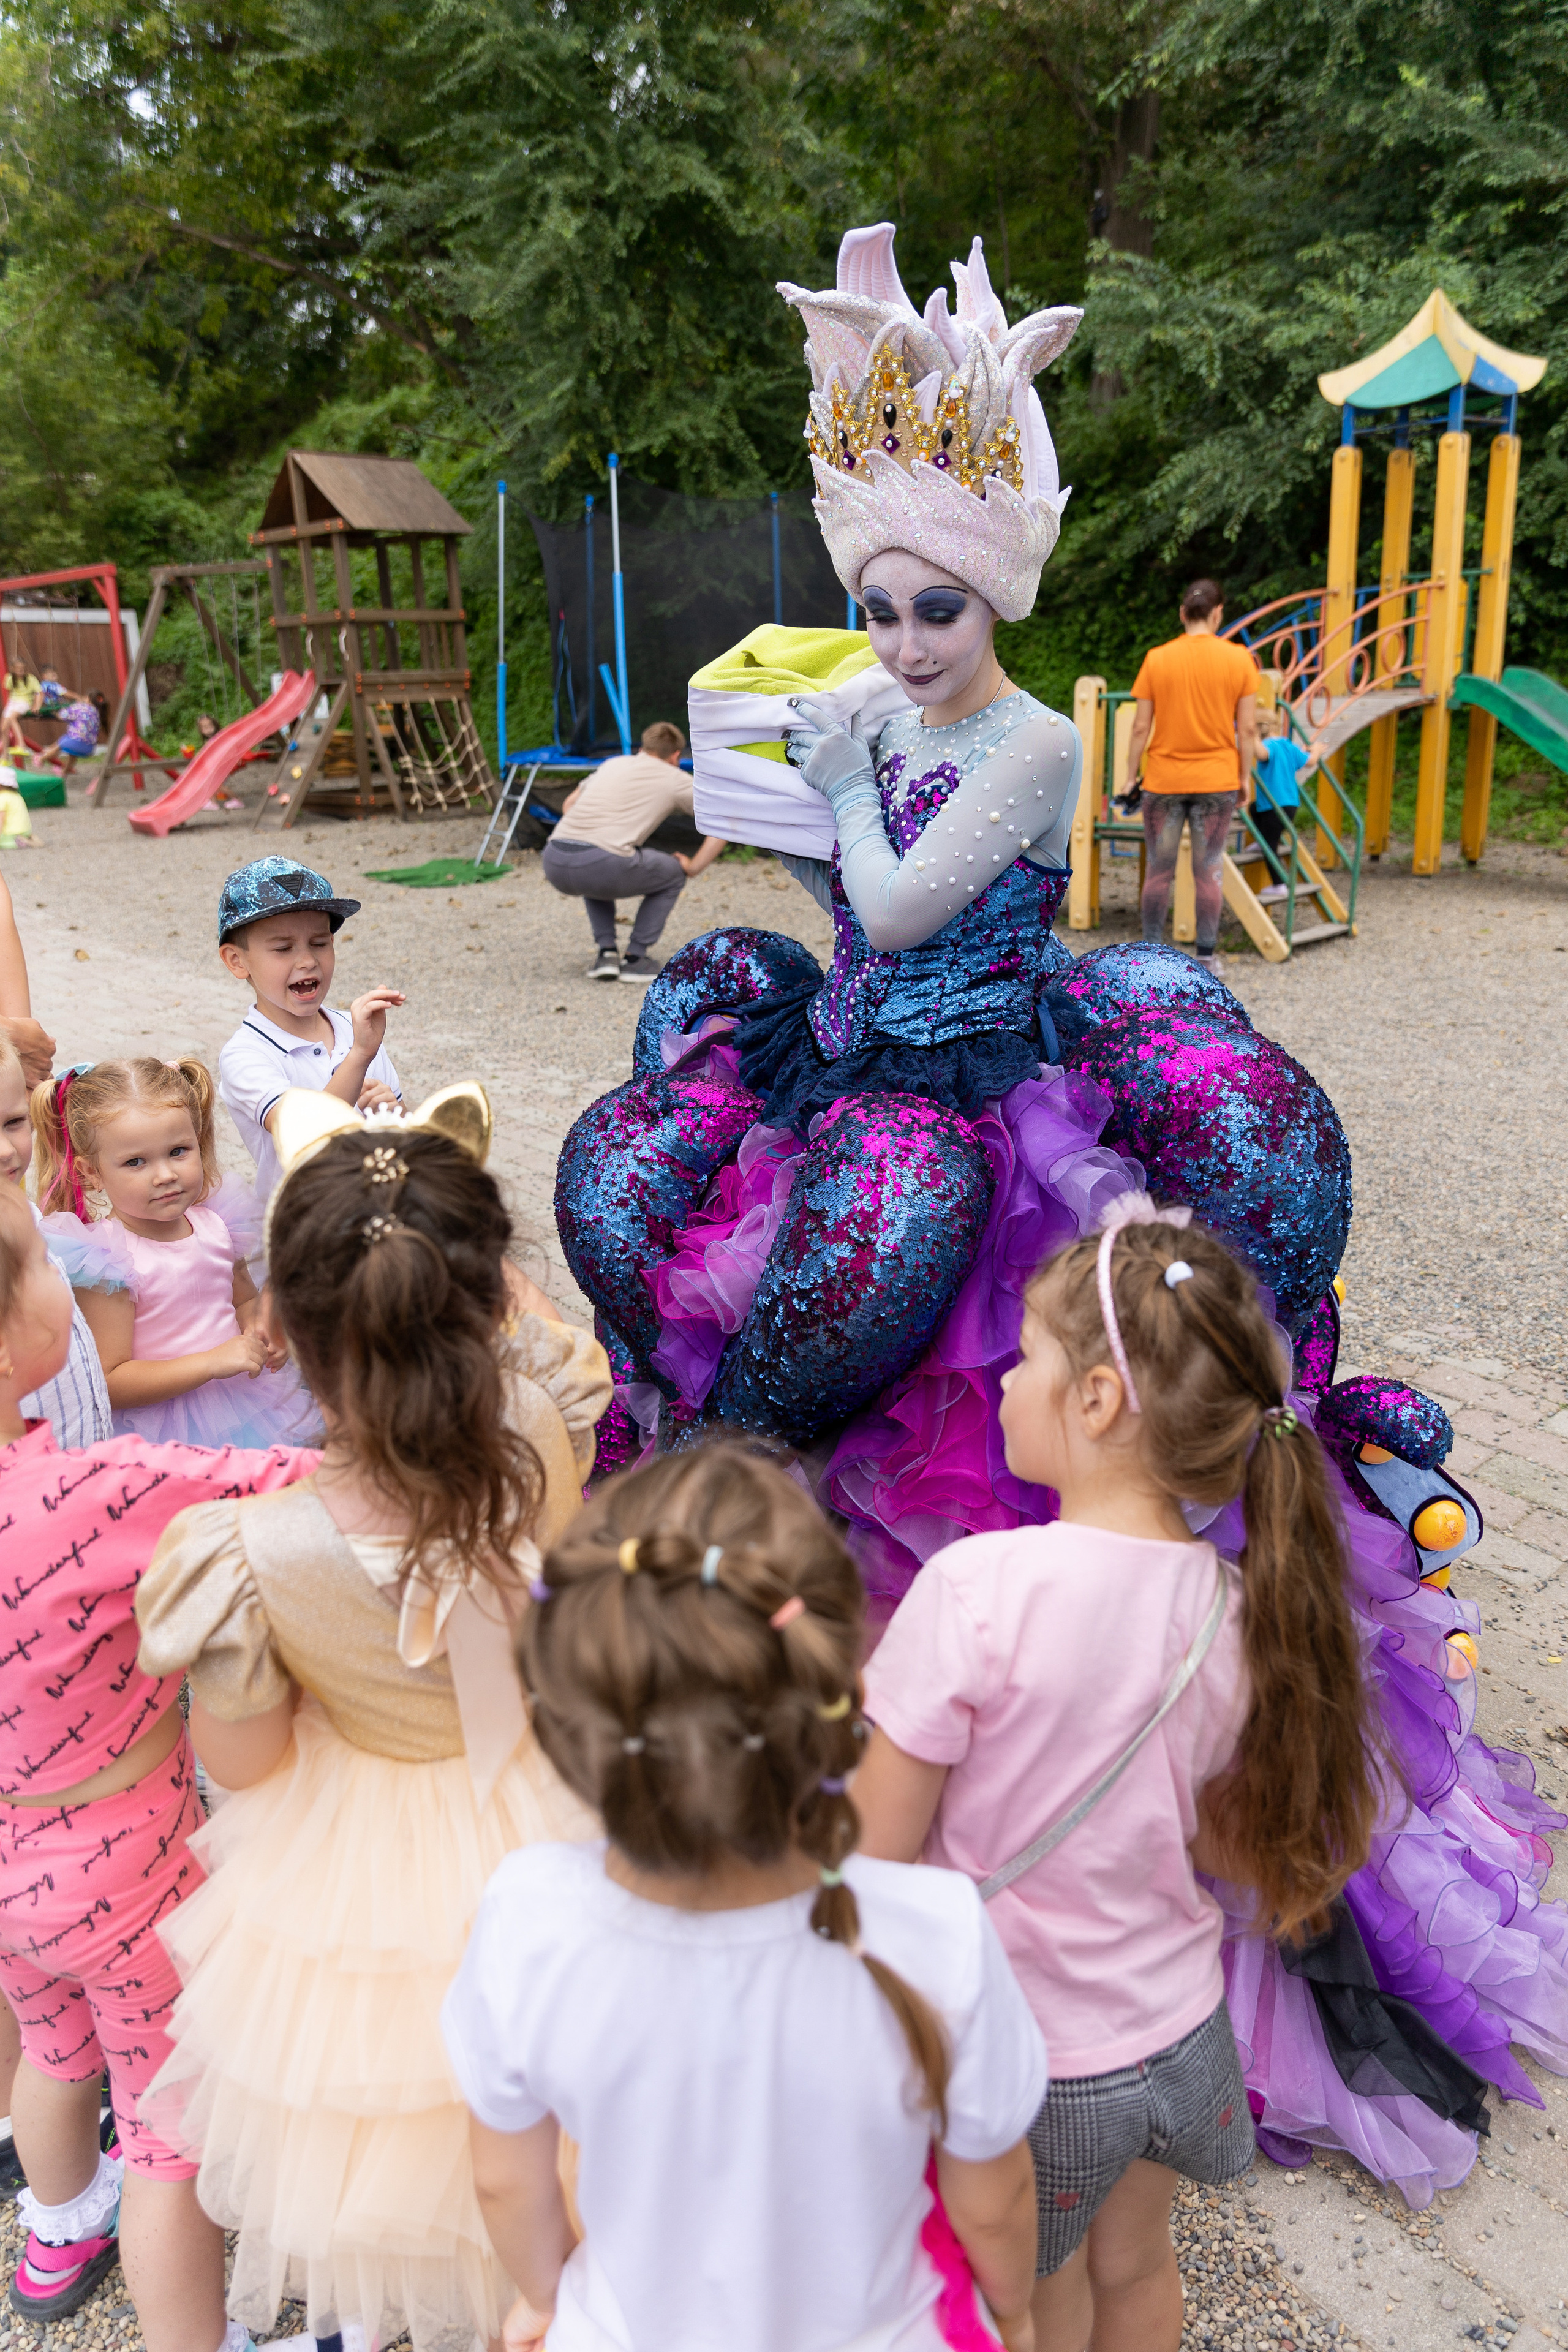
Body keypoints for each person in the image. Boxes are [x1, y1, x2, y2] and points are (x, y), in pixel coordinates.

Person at [134, 1085, 612, 2352]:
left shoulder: (249, 1549)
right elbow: (548, 1378)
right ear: (484, 1294)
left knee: (405, 2145)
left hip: (363, 1875)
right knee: (573, 2123)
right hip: (563, 1804)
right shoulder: (546, 1422)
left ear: (282, 1331)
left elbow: (246, 1758)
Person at [853, 1199, 1378, 2351]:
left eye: (1026, 1356)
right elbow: (1224, 1841)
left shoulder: (977, 1589)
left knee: (1026, 2300)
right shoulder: (1241, 1611)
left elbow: (874, 1858)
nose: (1000, 1382)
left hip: (1030, 2057)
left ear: (1095, 1401)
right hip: (1184, 2035)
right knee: (1137, 2270)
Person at [443, 1440, 1047, 2352]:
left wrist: (544, 2292)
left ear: (568, 1726)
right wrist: (1015, 2309)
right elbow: (992, 2195)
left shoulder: (528, 1918)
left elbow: (505, 2179)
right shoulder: (936, 1934)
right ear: (841, 1689)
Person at [0, 1177, 321, 2346]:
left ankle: (55, 2225)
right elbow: (304, 1486)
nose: (74, 1286)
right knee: (165, 2128)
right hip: (118, 1859)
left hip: (8, 1870)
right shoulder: (94, 1490)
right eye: (47, 1268)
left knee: (49, 2046)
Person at [32, 1056, 317, 1449]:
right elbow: (110, 1379)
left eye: (179, 1151)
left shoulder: (217, 1224)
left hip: (246, 1404)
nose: (165, 1174)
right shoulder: (108, 1260)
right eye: (135, 1162)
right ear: (91, 1173)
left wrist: (263, 1330)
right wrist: (210, 1363)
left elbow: (244, 1300)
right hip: (162, 1430)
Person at [215, 856, 403, 1206]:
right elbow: (307, 1136)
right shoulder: (246, 1056)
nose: (307, 960)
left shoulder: (353, 1028)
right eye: (283, 948)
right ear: (237, 961)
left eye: (319, 943)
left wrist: (396, 1114)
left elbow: (409, 1127)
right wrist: (360, 1056)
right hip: (307, 1235)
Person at [1124, 581, 1261, 972]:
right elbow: (1247, 730)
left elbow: (1140, 728)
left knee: (1159, 870)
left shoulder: (1157, 659)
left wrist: (1130, 777)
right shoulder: (1239, 659)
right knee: (1209, 872)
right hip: (1218, 781)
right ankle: (1206, 958)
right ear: (1218, 613)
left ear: (1183, 614)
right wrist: (1245, 778)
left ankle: (1149, 955)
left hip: (1164, 780)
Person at [541, 720, 726, 982]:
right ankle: (635, 958)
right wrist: (694, 866)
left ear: (643, 747)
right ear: (676, 756)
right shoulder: (675, 778)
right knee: (673, 873)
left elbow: (569, 804)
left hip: (554, 858)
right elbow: (723, 822)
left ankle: (606, 954)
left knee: (598, 871)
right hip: (599, 863)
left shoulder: (612, 764)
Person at [0, 1033, 113, 1446]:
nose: (6, 1151)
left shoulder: (22, 1210)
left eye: (13, 1123)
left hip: (83, 1447)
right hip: (28, 1487)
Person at [1250, 698, 1316, 884]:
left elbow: (1262, 754)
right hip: (1290, 806)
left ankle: (1279, 885)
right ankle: (1261, 839)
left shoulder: (1269, 746)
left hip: (1273, 807)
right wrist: (1317, 750)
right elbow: (1310, 761)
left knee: (1270, 847)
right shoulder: (1289, 746)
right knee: (1254, 809)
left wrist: (1251, 736)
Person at [37, 690, 108, 783]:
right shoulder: (97, 713)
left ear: (88, 698)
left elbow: (62, 715)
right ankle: (64, 771)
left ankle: (41, 759)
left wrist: (54, 712)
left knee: (61, 744)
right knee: (72, 753)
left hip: (75, 742)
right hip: (89, 748)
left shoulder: (81, 707)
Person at [0, 764, 35, 849]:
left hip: (11, 834)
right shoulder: (17, 796)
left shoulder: (2, 798)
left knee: (4, 843)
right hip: (26, 831)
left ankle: (19, 842)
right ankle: (26, 838)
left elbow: (1, 819)